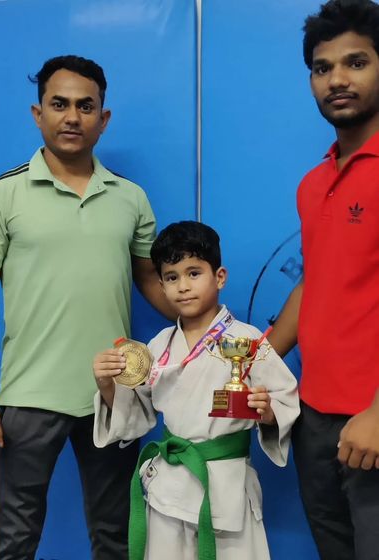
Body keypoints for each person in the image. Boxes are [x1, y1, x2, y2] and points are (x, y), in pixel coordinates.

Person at [0, 55, 171, 560]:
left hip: (113, 392)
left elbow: (151, 281)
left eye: (85, 106)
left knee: (116, 537)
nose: (72, 116)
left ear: (104, 117)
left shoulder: (131, 198)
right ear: (38, 114)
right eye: (59, 104)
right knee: (16, 540)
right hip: (29, 394)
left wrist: (210, 324)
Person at [92, 221, 299, 560]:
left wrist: (268, 411)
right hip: (168, 486)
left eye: (193, 273)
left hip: (226, 485)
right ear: (161, 286)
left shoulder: (248, 340)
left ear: (219, 277)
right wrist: (106, 384)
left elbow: (285, 399)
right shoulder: (159, 345)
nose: (183, 286)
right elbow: (136, 413)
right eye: (172, 277)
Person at [268, 2, 379, 559]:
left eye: (356, 62)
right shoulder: (314, 184)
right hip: (314, 419)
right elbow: (314, 284)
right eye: (322, 67)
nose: (337, 79)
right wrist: (252, 364)